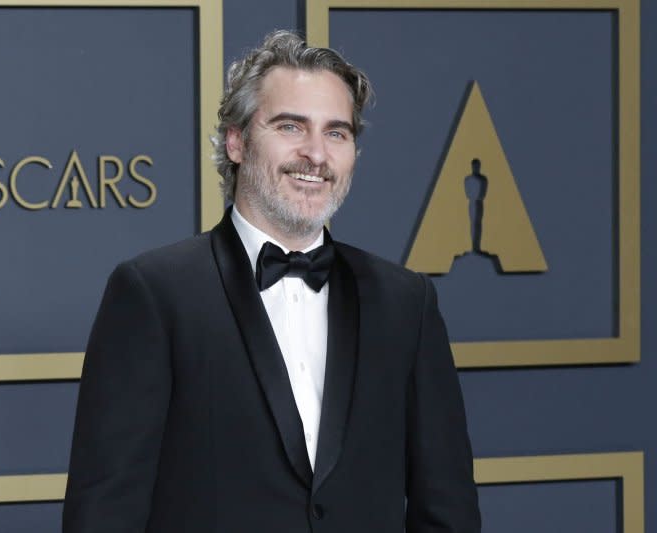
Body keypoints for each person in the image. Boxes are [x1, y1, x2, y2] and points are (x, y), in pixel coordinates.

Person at [63, 30, 481, 532]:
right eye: (291, 126)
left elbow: (448, 507)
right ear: (237, 141)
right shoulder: (154, 292)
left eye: (336, 133)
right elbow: (105, 511)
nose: (316, 154)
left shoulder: (404, 301)